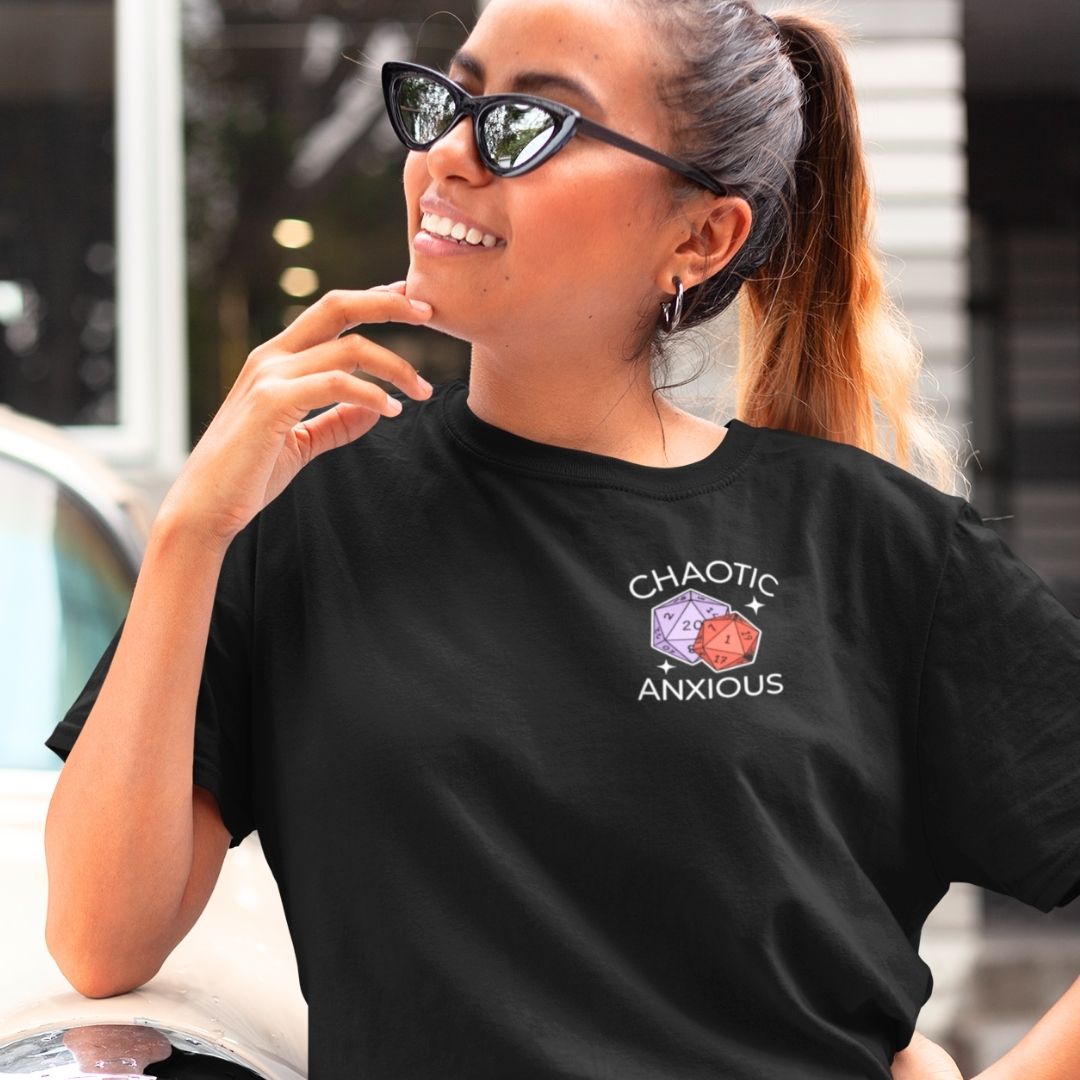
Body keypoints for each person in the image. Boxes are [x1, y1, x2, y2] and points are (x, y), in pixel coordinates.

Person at [41, 1, 1080, 1078]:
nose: (448, 154)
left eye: (525, 125)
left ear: (698, 235)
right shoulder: (306, 516)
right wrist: (190, 533)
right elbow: (100, 936)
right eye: (452, 99)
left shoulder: (870, 542)